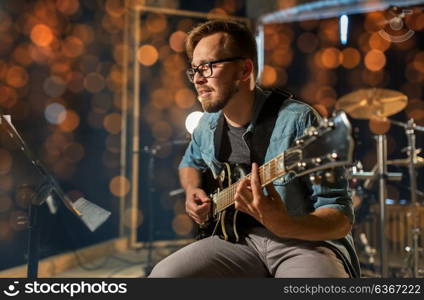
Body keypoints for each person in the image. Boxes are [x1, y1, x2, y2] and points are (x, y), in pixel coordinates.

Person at [149, 19, 360, 278]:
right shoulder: (206, 126)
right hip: (238, 240)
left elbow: (340, 219)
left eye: (208, 67)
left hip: (304, 243)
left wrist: (286, 224)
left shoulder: (298, 119)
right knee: (163, 276)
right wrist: (193, 190)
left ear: (245, 69)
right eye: (194, 69)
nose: (198, 79)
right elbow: (189, 163)